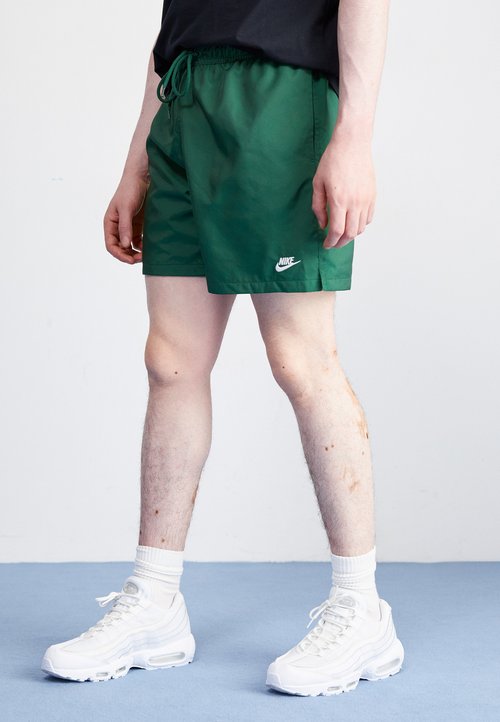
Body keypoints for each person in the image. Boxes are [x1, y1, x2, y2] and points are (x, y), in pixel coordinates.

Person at [41, 0, 404, 696]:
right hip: (184, 103)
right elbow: (175, 29)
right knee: (170, 361)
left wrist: (354, 137)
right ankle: (155, 602)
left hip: (280, 105)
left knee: (302, 359)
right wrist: (136, 162)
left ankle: (361, 609)